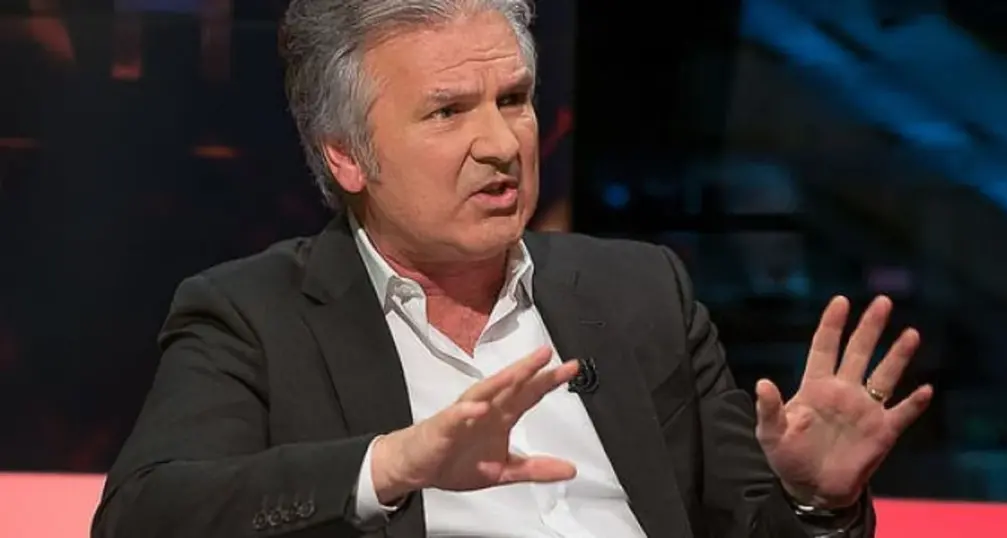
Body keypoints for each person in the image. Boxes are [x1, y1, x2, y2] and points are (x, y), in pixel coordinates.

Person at [90, 1, 933, 536]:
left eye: (514, 100)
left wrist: (816, 501)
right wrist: (391, 465)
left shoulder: (640, 292)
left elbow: (751, 526)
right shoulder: (252, 315)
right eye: (448, 112)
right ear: (346, 155)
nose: (500, 143)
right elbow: (142, 517)